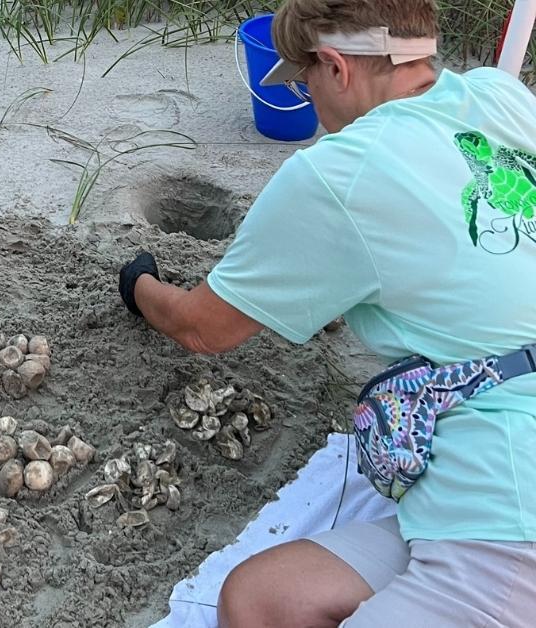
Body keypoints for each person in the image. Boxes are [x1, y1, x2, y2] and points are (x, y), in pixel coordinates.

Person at [119, 0, 536, 625]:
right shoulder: (502, 96)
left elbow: (201, 327)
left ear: (335, 67)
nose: (309, 101)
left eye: (304, 79)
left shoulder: (337, 173)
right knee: (260, 600)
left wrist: (140, 285)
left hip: (508, 505)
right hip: (487, 460)